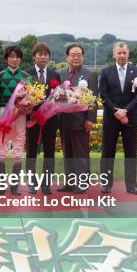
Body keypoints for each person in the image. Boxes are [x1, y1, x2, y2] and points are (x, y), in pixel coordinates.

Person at [99, 41, 137, 195]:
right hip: (111, 119)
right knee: (107, 152)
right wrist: (116, 112)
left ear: (128, 54)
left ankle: (131, 185)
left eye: (124, 53)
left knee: (131, 153)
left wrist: (125, 112)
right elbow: (103, 95)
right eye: (119, 53)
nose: (122, 55)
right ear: (114, 54)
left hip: (130, 119)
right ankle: (106, 184)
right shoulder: (105, 72)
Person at [57, 44, 98, 194]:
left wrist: (90, 119)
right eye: (73, 55)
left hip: (81, 121)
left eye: (79, 55)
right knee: (67, 153)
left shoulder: (89, 75)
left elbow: (93, 100)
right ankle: (70, 182)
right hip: (63, 121)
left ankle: (82, 183)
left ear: (82, 57)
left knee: (81, 153)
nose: (76, 58)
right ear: (67, 57)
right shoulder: (59, 74)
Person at [26, 43, 61, 195]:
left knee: (49, 151)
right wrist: (31, 110)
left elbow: (60, 97)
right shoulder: (26, 74)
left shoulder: (55, 75)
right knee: (32, 151)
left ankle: (46, 184)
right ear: (34, 56)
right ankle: (32, 183)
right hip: (32, 118)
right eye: (40, 54)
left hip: (50, 120)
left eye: (46, 54)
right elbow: (22, 96)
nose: (43, 57)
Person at [0, 45, 30, 195]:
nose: (15, 59)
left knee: (18, 147)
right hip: (3, 113)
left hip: (20, 115)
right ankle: (1, 186)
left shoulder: (26, 77)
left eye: (17, 57)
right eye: (11, 57)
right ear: (6, 59)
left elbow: (31, 98)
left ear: (21, 59)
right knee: (0, 147)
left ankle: (14, 186)